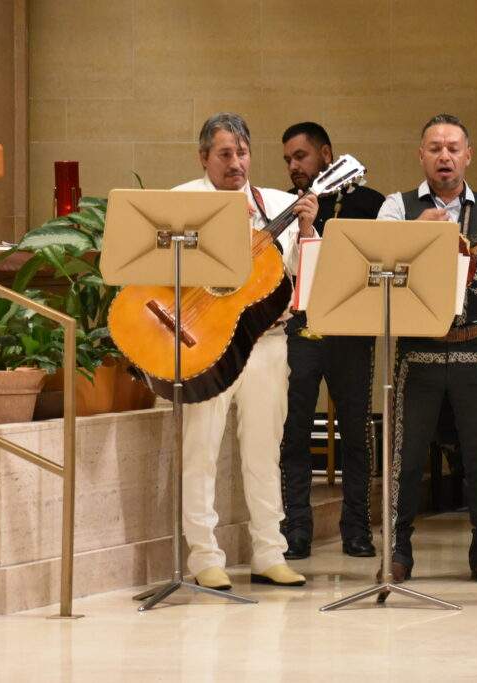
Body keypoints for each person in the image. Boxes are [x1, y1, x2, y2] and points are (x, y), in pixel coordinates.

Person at [376, 113, 477, 584]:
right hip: (418, 352)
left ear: (468, 155)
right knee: (403, 458)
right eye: (434, 148)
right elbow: (382, 270)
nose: (444, 156)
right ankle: (398, 552)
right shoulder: (395, 208)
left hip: (476, 349)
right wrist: (417, 237)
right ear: (420, 155)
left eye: (453, 148)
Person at [175, 112, 318, 591]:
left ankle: (268, 552)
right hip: (208, 344)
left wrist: (310, 230)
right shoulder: (183, 202)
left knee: (263, 451)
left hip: (268, 341)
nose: (236, 163)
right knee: (201, 449)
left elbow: (304, 277)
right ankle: (203, 556)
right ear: (204, 158)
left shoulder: (278, 204)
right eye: (224, 154)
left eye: (242, 153)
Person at [278, 122, 385, 559]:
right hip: (301, 329)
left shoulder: (370, 203)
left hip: (351, 331)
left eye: (300, 156)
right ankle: (297, 529)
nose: (293, 167)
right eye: (287, 159)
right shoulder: (286, 207)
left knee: (356, 432)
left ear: (326, 153)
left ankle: (357, 529)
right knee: (295, 430)